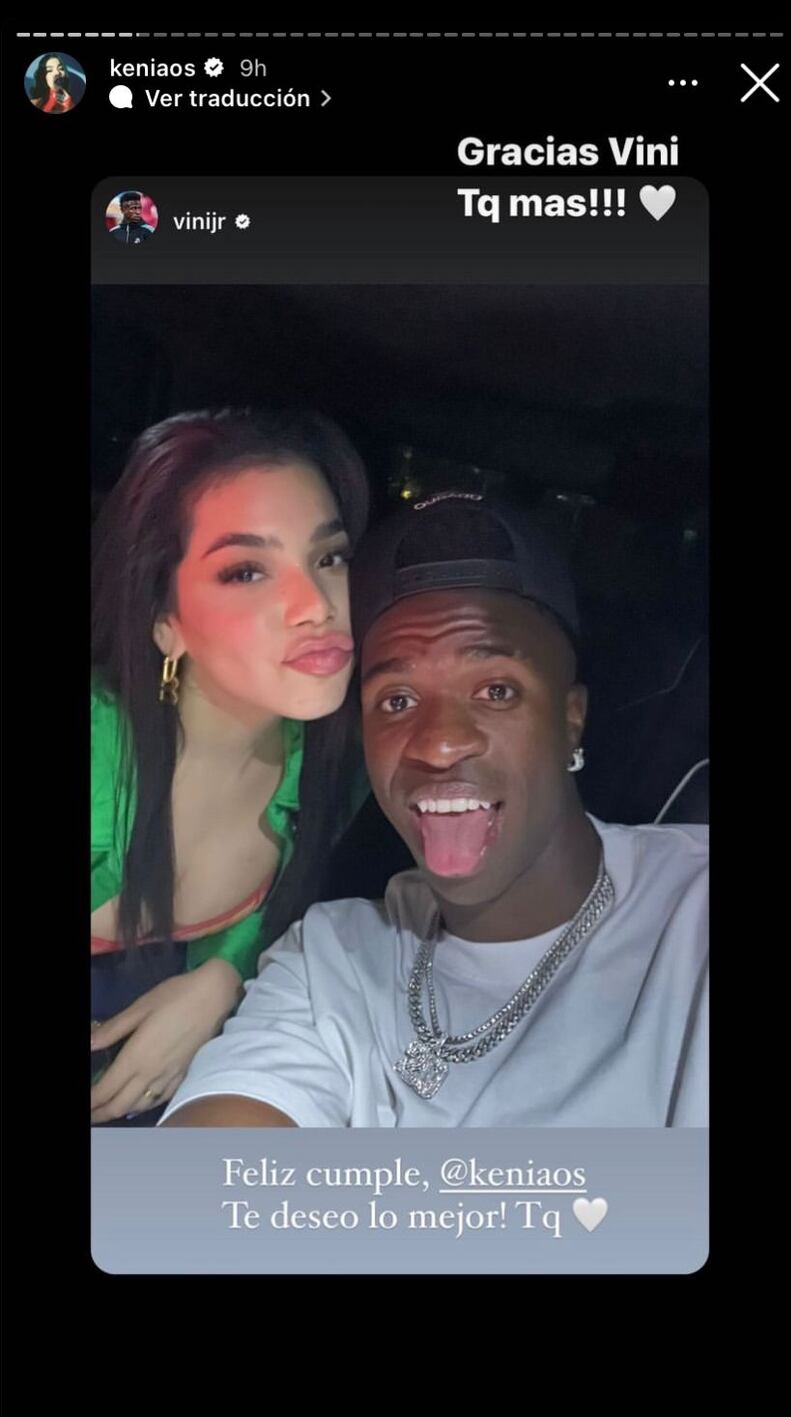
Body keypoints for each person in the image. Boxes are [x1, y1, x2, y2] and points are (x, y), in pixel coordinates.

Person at [161, 491, 708, 1130]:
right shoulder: (333, 957)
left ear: (570, 719)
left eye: (496, 691)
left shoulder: (691, 916)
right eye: (397, 700)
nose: (439, 744)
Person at [90, 408, 370, 1124]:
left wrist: (226, 979)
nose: (316, 606)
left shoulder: (339, 766)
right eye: (247, 571)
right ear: (166, 621)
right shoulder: (100, 753)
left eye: (330, 558)